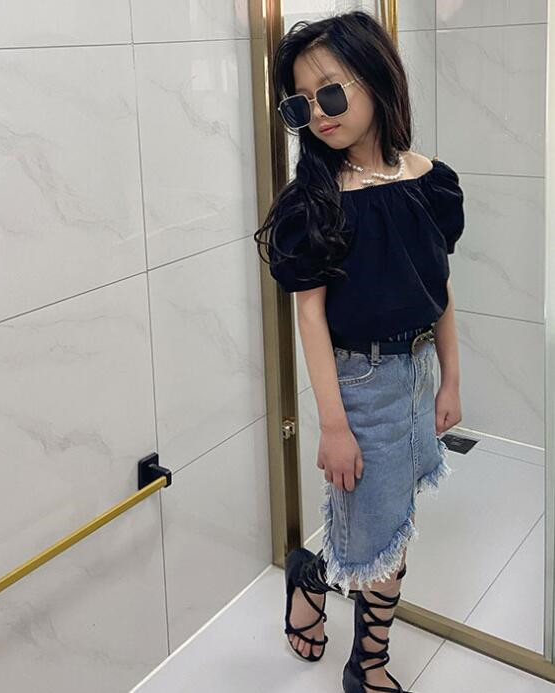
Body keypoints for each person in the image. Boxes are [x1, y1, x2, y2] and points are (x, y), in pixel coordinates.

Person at [254, 10, 464, 693]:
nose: (317, 114)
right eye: (299, 104)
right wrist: (334, 425)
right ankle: (366, 665)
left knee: (390, 526)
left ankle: (310, 579)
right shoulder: (313, 202)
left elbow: (440, 286)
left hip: (416, 370)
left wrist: (450, 379)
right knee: (379, 543)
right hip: (360, 382)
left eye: (330, 93)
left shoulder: (428, 179)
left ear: (376, 79)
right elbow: (310, 317)